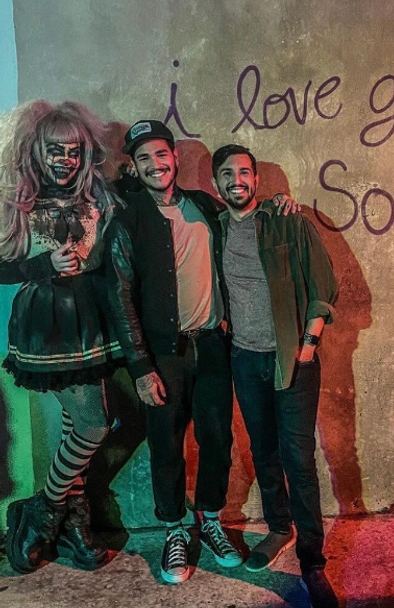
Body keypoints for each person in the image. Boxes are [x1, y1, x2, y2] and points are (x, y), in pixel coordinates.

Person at [104, 119, 243, 583]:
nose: (154, 164)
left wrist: (281, 206)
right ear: (136, 166)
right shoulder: (127, 220)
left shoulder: (206, 206)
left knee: (218, 439)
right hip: (165, 354)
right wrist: (142, 367)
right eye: (143, 158)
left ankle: (209, 519)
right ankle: (173, 529)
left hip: (214, 346)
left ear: (174, 157)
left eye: (160, 154)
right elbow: (121, 297)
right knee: (166, 445)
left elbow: (246, 227)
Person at [212, 144, 340, 608]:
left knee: (299, 459)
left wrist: (308, 345)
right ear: (216, 184)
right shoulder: (216, 227)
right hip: (245, 360)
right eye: (227, 174)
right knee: (262, 451)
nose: (237, 180)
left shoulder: (288, 220)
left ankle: (313, 563)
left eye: (244, 172)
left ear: (257, 179)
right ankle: (279, 528)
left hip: (294, 359)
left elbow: (324, 285)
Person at [1, 101, 121, 573]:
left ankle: (68, 514)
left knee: (80, 424)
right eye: (56, 150)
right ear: (38, 151)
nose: (65, 160)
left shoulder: (100, 200)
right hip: (46, 325)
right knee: (93, 424)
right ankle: (46, 509)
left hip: (90, 322)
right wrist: (42, 266)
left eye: (74, 150)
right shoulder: (18, 203)